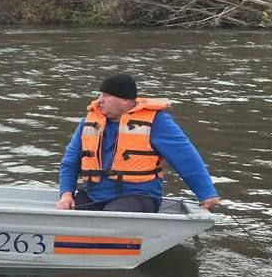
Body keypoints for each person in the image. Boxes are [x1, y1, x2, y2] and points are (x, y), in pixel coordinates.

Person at [56, 73, 219, 213]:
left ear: (125, 100)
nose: (99, 101)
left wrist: (206, 193)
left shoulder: (157, 122)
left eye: (106, 95)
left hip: (138, 197)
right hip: (94, 195)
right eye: (100, 95)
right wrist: (66, 194)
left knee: (110, 217)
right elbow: (70, 162)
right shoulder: (88, 123)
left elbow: (185, 157)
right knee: (69, 216)